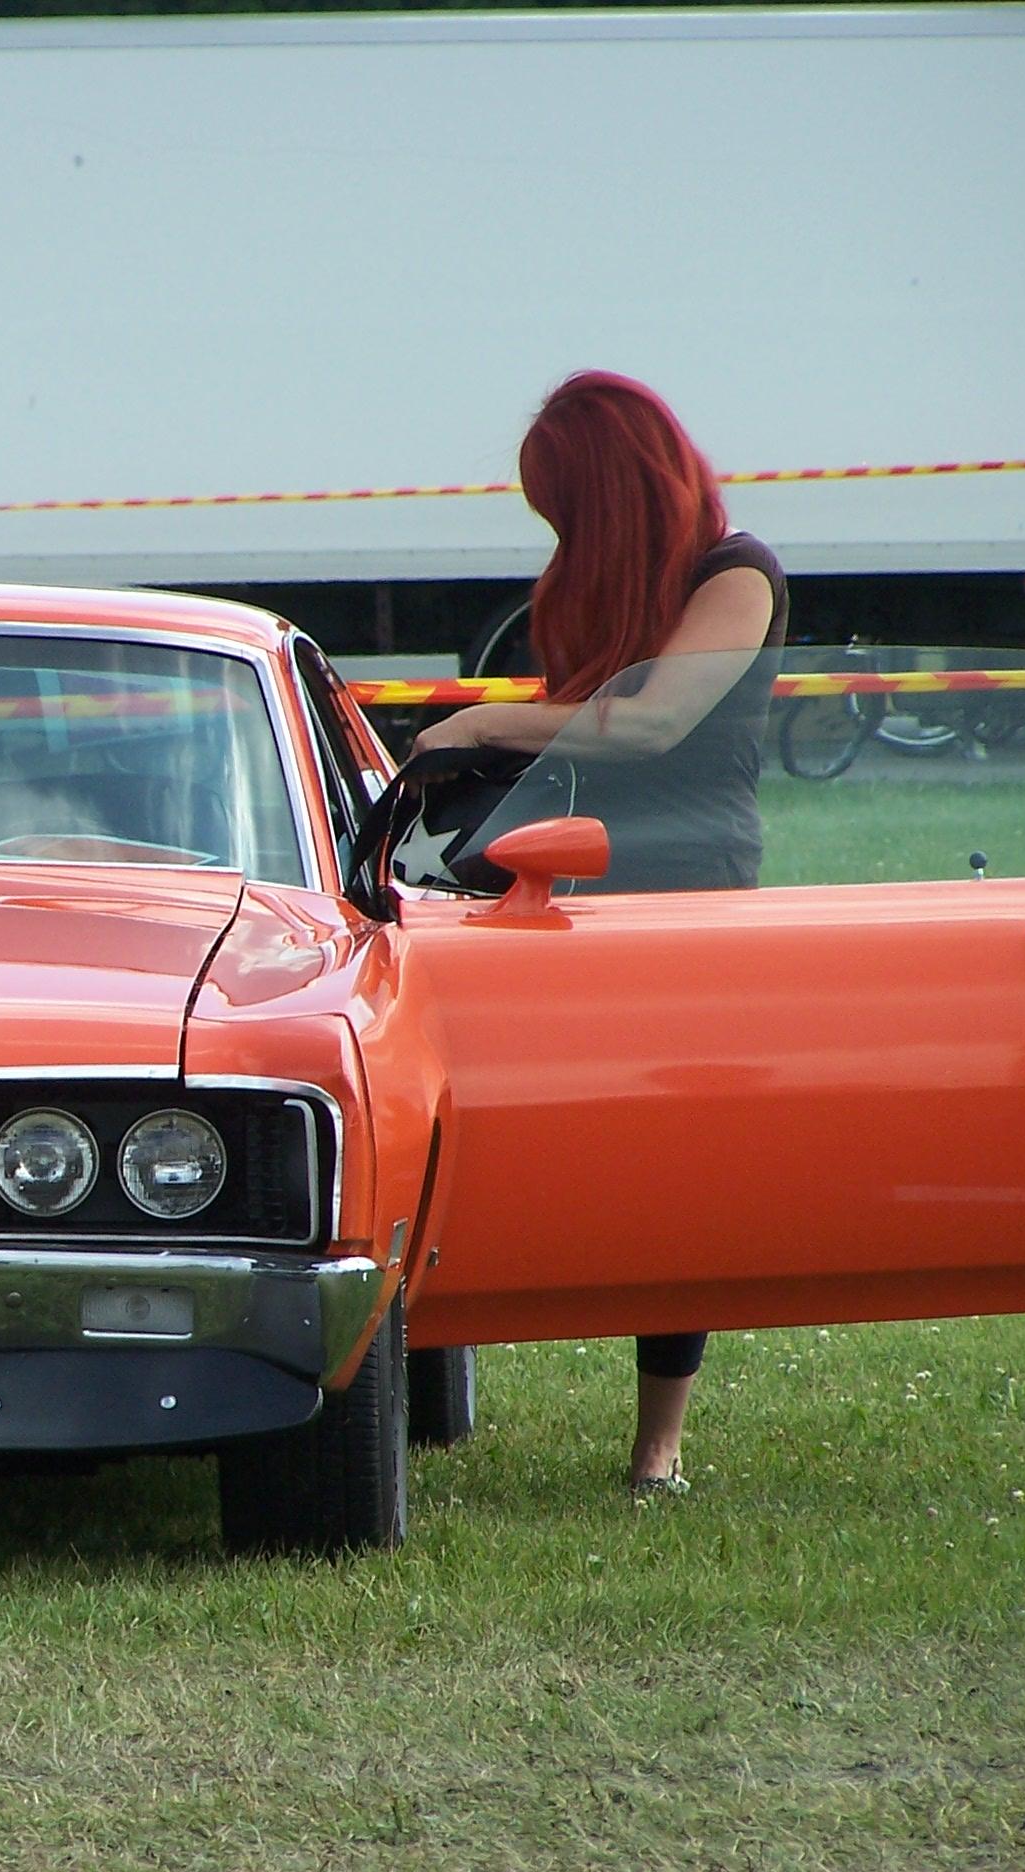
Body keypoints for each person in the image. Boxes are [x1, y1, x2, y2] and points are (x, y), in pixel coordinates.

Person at [412, 371, 786, 1500]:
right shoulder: (599, 584)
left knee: (679, 1161)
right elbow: (586, 718)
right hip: (562, 870)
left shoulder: (737, 575)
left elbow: (659, 717)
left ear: (610, 494)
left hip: (685, 896)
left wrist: (475, 719)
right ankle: (430, 1366)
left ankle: (656, 1447)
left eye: (566, 509)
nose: (557, 535)